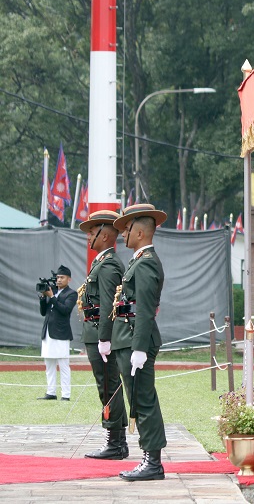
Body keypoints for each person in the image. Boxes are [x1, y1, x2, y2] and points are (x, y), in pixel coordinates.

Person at [112, 203, 168, 481]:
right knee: (138, 399)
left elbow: (144, 309)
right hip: (129, 337)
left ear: (142, 232)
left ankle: (153, 461)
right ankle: (148, 458)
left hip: (137, 341)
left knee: (143, 400)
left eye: (128, 228)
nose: (122, 233)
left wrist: (139, 348)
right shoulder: (138, 260)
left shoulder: (145, 263)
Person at [78, 210, 129, 460]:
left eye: (91, 231)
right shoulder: (101, 261)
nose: (88, 236)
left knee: (109, 387)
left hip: (101, 333)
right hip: (94, 331)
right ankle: (116, 439)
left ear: (106, 234)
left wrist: (104, 339)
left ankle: (116, 443)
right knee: (106, 387)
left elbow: (109, 304)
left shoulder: (109, 264)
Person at [38, 265, 77, 401]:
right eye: (58, 277)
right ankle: (51, 392)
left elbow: (65, 310)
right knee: (49, 364)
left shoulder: (71, 293)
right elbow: (43, 312)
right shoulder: (52, 291)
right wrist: (43, 298)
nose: (59, 280)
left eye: (62, 277)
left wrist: (52, 297)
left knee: (63, 365)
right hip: (48, 332)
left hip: (61, 333)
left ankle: (66, 394)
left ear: (69, 279)